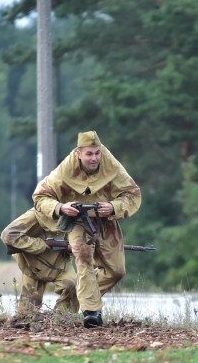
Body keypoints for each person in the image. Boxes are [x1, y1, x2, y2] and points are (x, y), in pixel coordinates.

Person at [32, 131, 141, 327]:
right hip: (78, 220)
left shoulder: (112, 165)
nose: (94, 158)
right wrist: (61, 207)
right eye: (89, 154)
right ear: (78, 153)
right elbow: (40, 197)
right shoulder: (65, 169)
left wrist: (114, 206)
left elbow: (132, 194)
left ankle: (75, 297)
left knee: (116, 271)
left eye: (97, 153)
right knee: (83, 259)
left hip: (105, 219)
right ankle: (92, 313)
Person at [0, 207, 79, 318]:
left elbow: (83, 241)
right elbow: (8, 235)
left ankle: (61, 319)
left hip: (60, 265)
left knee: (72, 286)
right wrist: (40, 245)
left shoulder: (75, 215)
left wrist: (74, 248)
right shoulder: (34, 215)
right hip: (32, 266)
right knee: (25, 316)